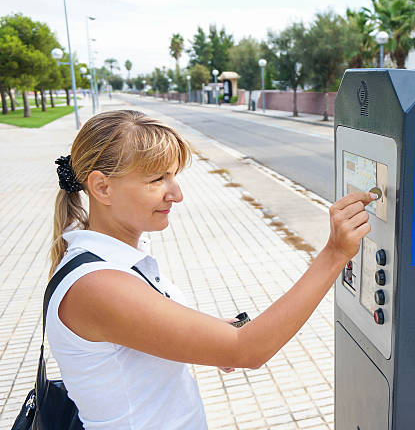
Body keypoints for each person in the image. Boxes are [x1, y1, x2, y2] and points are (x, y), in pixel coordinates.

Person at [47, 109, 375, 429]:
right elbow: (247, 350)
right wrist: (334, 254)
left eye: (174, 175)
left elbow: (142, 333)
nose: (177, 194)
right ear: (102, 187)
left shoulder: (114, 261)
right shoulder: (97, 285)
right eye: (157, 179)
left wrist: (209, 333)